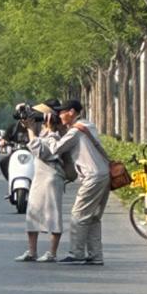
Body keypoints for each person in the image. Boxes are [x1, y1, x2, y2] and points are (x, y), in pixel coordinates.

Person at [51, 98, 110, 265]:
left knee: (78, 215)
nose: (59, 115)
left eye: (61, 112)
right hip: (104, 174)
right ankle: (95, 256)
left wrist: (51, 132)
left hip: (92, 177)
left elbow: (56, 149)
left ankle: (76, 253)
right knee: (93, 217)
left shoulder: (75, 131)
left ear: (71, 112)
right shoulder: (88, 126)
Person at [15, 109, 66, 262]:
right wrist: (25, 119)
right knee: (33, 210)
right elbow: (29, 134)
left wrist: (32, 129)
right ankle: (32, 251)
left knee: (53, 214)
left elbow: (39, 150)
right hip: (39, 174)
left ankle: (52, 252)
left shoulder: (57, 135)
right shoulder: (44, 132)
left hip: (52, 174)